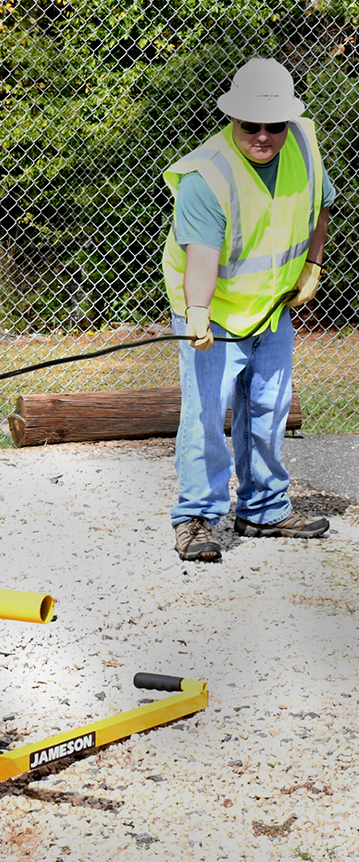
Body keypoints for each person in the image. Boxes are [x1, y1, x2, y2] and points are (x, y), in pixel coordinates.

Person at [161, 58, 333, 562]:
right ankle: (196, 516)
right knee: (206, 413)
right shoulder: (206, 176)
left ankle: (262, 508)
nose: (263, 135)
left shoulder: (303, 142)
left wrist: (313, 266)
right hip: (209, 310)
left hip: (272, 305)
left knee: (270, 406)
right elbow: (201, 259)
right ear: (231, 118)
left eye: (274, 125)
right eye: (250, 125)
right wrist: (196, 313)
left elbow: (321, 204)